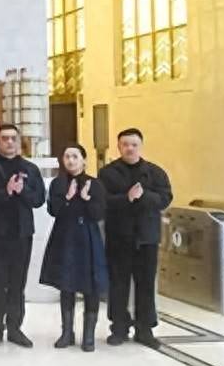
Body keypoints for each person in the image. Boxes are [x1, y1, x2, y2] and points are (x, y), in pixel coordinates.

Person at [98, 128, 173, 349]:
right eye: (125, 145)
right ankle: (119, 328)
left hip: (147, 238)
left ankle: (145, 329)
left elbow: (165, 198)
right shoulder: (108, 174)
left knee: (146, 284)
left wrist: (144, 196)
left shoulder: (155, 172)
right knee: (118, 284)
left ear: (140, 146)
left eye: (134, 145)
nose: (129, 148)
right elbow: (102, 201)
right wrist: (127, 198)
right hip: (119, 238)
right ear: (119, 147)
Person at [0, 124, 45, 348]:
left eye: (13, 138)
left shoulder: (30, 169)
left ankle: (15, 328)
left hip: (21, 234)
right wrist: (6, 192)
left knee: (18, 283)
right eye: (4, 138)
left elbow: (38, 200)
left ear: (19, 141)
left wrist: (21, 191)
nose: (9, 142)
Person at [40, 143, 108, 352]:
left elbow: (99, 213)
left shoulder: (95, 184)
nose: (70, 160)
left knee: (91, 286)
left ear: (83, 160)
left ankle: (89, 335)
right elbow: (53, 210)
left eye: (75, 156)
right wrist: (68, 198)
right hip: (65, 236)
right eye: (67, 156)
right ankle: (67, 332)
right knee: (66, 284)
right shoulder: (58, 184)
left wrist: (86, 199)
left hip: (88, 236)